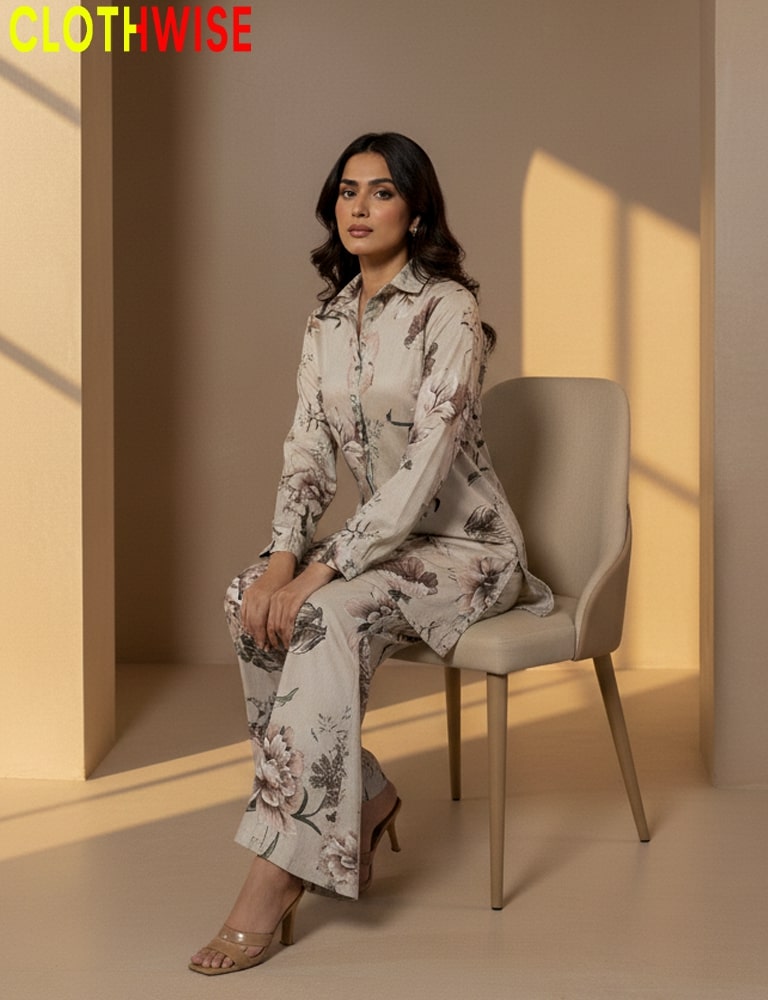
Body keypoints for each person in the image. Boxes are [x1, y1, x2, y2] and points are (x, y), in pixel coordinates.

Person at [189, 132, 553, 975]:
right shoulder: (325, 317)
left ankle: (275, 874)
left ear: (415, 207)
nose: (358, 206)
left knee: (326, 609)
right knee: (249, 599)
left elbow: (427, 468)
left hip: (468, 548)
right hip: (385, 545)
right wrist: (283, 556)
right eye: (347, 191)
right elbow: (308, 451)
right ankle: (368, 791)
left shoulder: (450, 309)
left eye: (380, 192)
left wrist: (324, 568)